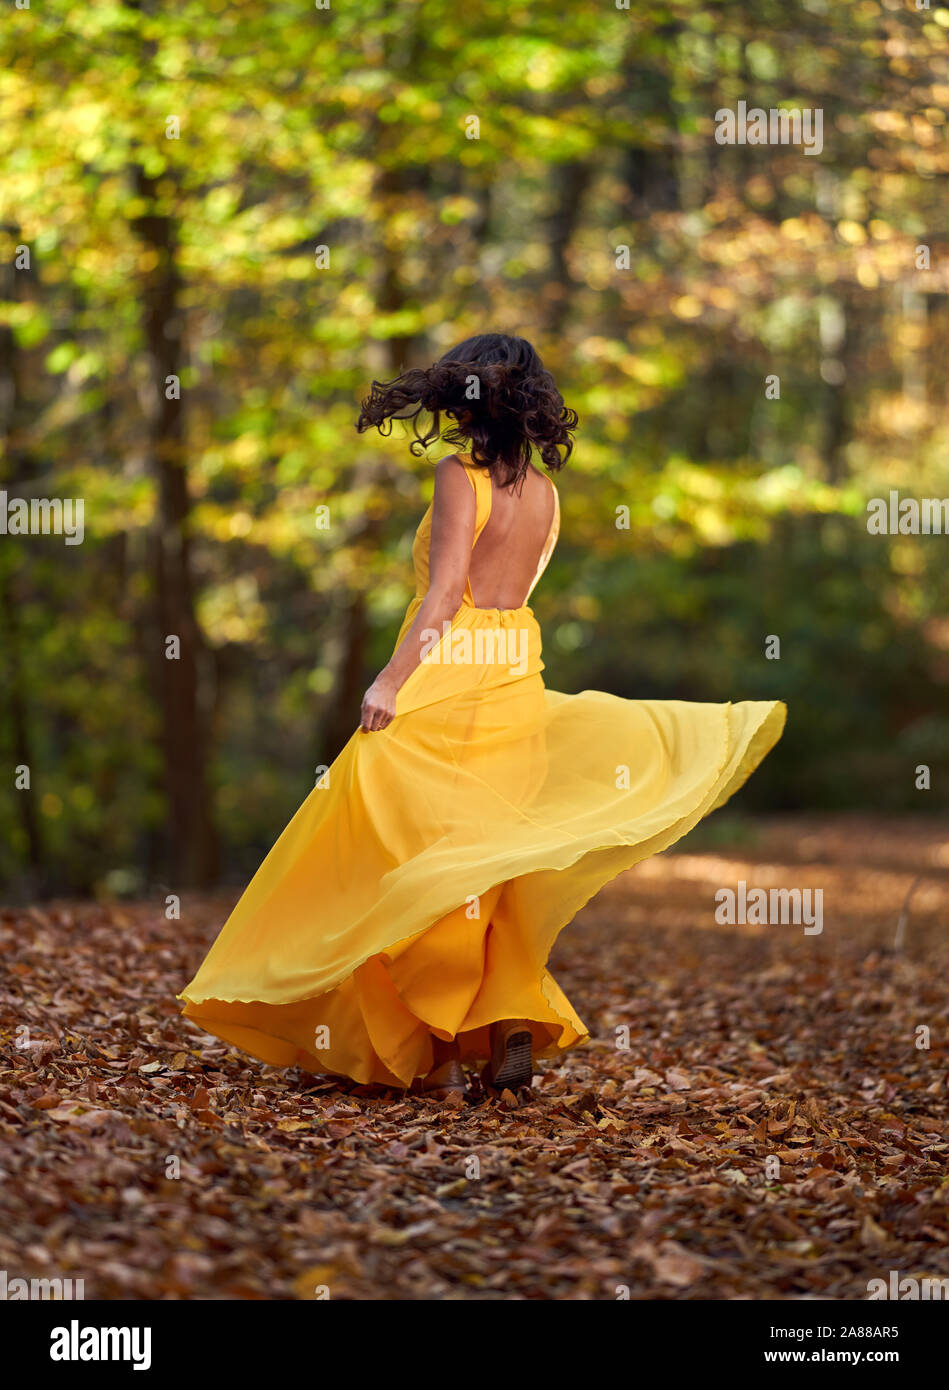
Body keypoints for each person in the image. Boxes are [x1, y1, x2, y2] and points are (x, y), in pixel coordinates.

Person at [179, 332, 786, 1100]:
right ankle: (503, 1023)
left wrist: (391, 682)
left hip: (452, 670)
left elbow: (443, 596)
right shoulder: (545, 493)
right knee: (485, 862)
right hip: (515, 672)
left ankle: (433, 1038)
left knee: (411, 849)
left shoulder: (458, 476)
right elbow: (515, 590)